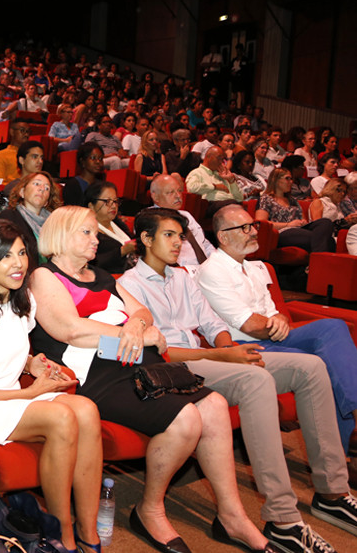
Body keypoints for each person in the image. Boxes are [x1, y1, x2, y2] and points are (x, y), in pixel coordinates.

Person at [29, 206, 273, 553]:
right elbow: (70, 330)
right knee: (187, 417)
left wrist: (135, 325)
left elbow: (142, 311)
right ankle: (150, 509)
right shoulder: (45, 276)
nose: (96, 239)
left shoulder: (100, 275)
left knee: (215, 405)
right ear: (61, 235)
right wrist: (137, 334)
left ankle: (233, 515)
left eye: (96, 232)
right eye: (86, 232)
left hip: (139, 364)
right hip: (96, 373)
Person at [119, 207, 355, 553]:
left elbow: (213, 325)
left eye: (180, 236)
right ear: (145, 239)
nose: (178, 243)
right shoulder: (129, 285)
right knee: (254, 380)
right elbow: (158, 353)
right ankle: (283, 518)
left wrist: (229, 348)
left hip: (207, 358)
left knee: (311, 368)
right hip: (174, 366)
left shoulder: (183, 277)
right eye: (169, 235)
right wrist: (222, 356)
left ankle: (333, 491)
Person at [0, 220, 102, 553]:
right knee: (61, 418)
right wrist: (28, 393)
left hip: (11, 399)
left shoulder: (19, 301)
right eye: (6, 257)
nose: (18, 263)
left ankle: (91, 532)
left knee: (87, 409)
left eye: (21, 253)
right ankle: (63, 535)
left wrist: (33, 363)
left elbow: (13, 348)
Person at [196, 204, 357, 454]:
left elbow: (273, 312)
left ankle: (352, 420)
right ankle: (341, 449)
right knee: (320, 364)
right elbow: (249, 324)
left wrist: (280, 318)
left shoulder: (256, 267)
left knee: (333, 328)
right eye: (245, 227)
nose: (253, 232)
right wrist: (277, 323)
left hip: (275, 336)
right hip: (245, 345)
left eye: (254, 226)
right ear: (223, 236)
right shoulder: (211, 271)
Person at [255, 168, 335, 254]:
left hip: (299, 230)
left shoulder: (293, 200)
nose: (291, 182)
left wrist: (303, 222)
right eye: (287, 178)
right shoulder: (266, 199)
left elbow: (303, 220)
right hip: (282, 232)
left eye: (291, 179)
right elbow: (261, 224)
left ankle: (316, 261)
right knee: (328, 241)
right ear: (276, 180)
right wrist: (288, 224)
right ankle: (317, 262)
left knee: (326, 222)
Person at [0, 171, 61, 268]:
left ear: (46, 202)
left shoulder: (54, 222)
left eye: (47, 188)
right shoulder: (9, 217)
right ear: (22, 192)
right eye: (37, 184)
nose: (42, 189)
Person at [85, 181, 136, 273]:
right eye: (107, 201)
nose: (113, 206)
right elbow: (90, 263)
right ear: (91, 206)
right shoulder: (87, 231)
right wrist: (122, 251)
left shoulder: (119, 224)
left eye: (115, 201)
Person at [186, 146, 242, 212]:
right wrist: (214, 186)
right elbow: (192, 188)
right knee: (233, 205)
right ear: (208, 157)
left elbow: (240, 199)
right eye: (219, 158)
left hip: (230, 203)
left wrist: (231, 180)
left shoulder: (222, 174)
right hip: (211, 204)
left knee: (238, 206)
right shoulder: (197, 172)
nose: (221, 162)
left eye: (222, 159)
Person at [62, 142, 104, 207]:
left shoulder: (102, 185)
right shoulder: (72, 185)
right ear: (82, 161)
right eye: (93, 158)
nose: (98, 162)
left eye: (100, 159)